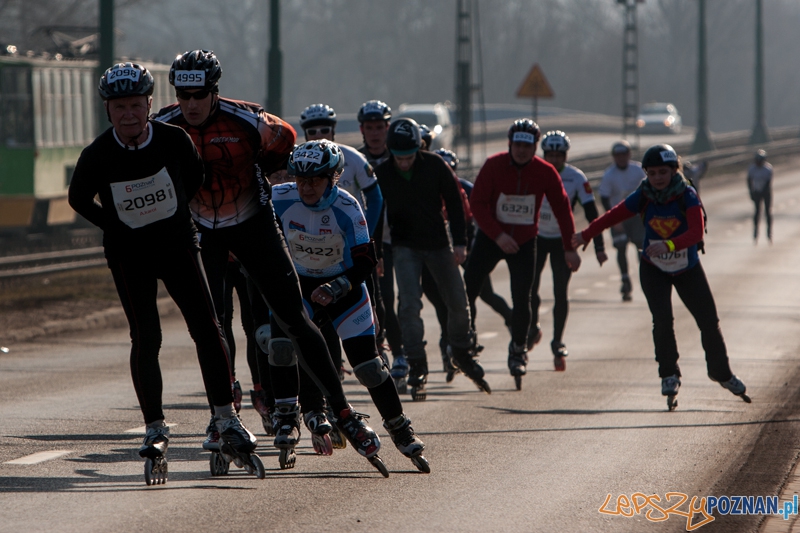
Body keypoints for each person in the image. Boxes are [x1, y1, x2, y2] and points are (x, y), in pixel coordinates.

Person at [153, 50, 377, 463]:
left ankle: (341, 409)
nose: (190, 104)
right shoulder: (164, 125)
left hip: (253, 225)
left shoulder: (251, 121)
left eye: (199, 95)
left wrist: (258, 177)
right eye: (182, 96)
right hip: (203, 232)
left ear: (214, 91)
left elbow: (286, 146)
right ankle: (223, 416)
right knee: (211, 323)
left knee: (293, 317)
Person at [68, 62, 258, 484]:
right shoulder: (97, 154)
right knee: (146, 337)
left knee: (207, 328)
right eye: (119, 107)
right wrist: (114, 225)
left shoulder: (173, 140)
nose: (129, 114)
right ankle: (155, 427)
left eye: (136, 105)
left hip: (176, 246)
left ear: (150, 104)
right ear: (108, 110)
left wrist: (169, 219)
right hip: (128, 254)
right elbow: (78, 199)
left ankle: (225, 418)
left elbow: (194, 176)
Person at [270, 140, 429, 473]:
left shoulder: (347, 206)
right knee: (281, 348)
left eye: (315, 179)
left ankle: (400, 427)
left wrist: (338, 286)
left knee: (368, 367)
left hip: (343, 290)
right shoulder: (279, 198)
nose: (306, 187)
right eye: (300, 179)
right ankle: (287, 417)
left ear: (334, 178)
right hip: (300, 288)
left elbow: (366, 261)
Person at [572, 144, 750, 410]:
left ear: (673, 170)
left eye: (662, 172)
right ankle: (669, 374)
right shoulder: (644, 195)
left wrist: (667, 245)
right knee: (663, 321)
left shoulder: (686, 195)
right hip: (653, 268)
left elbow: (696, 234)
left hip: (687, 268)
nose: (657, 178)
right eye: (652, 173)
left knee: (709, 321)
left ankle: (721, 373)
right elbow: (614, 214)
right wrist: (585, 235)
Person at [375, 118, 490, 399]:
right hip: (405, 247)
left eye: (409, 156)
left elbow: (455, 202)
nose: (404, 163)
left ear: (420, 148)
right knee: (409, 305)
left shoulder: (436, 166)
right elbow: (375, 216)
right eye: (398, 157)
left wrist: (461, 243)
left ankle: (461, 350)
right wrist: (376, 253)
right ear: (391, 153)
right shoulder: (382, 173)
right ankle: (417, 363)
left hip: (439, 244)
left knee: (458, 302)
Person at [464, 119, 580, 390]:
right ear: (509, 144)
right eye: (517, 145)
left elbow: (563, 209)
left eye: (527, 146)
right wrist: (498, 235)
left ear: (535, 147)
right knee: (469, 286)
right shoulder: (493, 165)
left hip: (525, 240)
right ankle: (462, 338)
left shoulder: (545, 171)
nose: (522, 151)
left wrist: (569, 247)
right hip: (492, 237)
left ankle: (518, 349)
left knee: (523, 295)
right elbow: (477, 203)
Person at [531, 131, 606, 371]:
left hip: (563, 239)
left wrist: (599, 246)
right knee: (529, 288)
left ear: (565, 156)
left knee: (560, 291)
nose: (554, 160)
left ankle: (558, 342)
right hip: (536, 237)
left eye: (558, 155)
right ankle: (533, 327)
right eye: (550, 155)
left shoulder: (576, 177)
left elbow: (592, 212)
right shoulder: (533, 172)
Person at [598, 140, 647, 301]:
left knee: (641, 247)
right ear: (613, 157)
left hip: (636, 216)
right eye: (618, 155)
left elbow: (648, 190)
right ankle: (625, 279)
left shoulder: (638, 170)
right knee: (621, 247)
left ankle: (647, 278)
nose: (621, 158)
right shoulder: (609, 175)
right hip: (618, 216)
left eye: (624, 154)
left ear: (629, 155)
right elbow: (604, 198)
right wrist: (612, 219)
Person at [747, 149, 773, 243]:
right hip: (756, 191)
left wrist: (763, 191)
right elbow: (749, 180)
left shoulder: (768, 169)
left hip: (766, 192)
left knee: (767, 212)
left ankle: (769, 232)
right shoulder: (752, 169)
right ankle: (755, 232)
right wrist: (751, 192)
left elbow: (768, 182)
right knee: (757, 212)